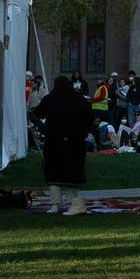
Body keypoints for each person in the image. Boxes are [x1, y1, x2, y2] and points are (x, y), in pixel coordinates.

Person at [29, 75, 94, 214]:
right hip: (75, 141)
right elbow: (90, 118)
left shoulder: (51, 98)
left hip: (54, 140)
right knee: (72, 173)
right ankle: (72, 204)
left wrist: (42, 126)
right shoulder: (80, 100)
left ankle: (55, 205)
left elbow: (36, 113)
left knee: (54, 172)